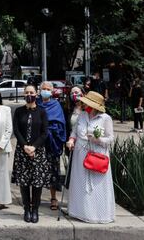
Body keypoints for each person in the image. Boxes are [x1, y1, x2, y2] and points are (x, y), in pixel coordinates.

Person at [66, 91, 115, 223]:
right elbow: (74, 131)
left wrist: (98, 139)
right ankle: (79, 211)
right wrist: (71, 140)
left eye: (87, 103)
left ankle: (98, 214)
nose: (84, 105)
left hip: (97, 154)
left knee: (97, 184)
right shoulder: (81, 115)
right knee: (80, 183)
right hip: (80, 154)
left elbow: (110, 138)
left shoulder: (105, 118)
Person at [12, 84, 50, 223]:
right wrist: (25, 147)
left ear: (36, 94)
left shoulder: (42, 112)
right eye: (27, 92)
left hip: (38, 151)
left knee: (37, 182)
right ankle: (26, 209)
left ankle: (35, 210)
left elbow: (45, 132)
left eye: (31, 92)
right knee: (24, 182)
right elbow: (16, 130)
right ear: (23, 94)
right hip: (22, 152)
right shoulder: (18, 111)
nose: (29, 94)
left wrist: (33, 147)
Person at [37, 81, 66, 211]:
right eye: (43, 89)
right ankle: (35, 197)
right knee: (36, 170)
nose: (46, 91)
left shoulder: (56, 105)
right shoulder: (36, 103)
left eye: (48, 89)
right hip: (37, 142)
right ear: (39, 90)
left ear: (52, 91)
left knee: (53, 170)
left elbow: (60, 124)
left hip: (51, 142)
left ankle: (53, 197)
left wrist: (50, 131)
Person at [63, 86, 84, 188]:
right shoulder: (68, 109)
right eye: (72, 93)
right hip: (72, 143)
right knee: (72, 167)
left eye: (77, 92)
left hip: (85, 144)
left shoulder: (88, 109)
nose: (74, 94)